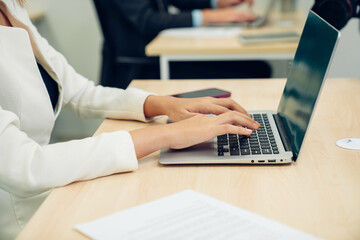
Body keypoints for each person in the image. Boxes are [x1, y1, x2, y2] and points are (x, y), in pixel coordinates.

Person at [0, 0, 260, 239]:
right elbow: (27, 167)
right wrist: (166, 135)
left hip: (57, 186)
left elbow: (79, 92)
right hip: (26, 217)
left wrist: (166, 104)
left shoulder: (11, 6)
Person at [94, 0, 272, 89]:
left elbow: (178, 1)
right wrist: (211, 16)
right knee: (255, 70)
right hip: (143, 66)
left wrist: (217, 3)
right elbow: (147, 21)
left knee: (257, 68)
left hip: (159, 56)